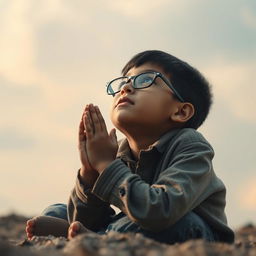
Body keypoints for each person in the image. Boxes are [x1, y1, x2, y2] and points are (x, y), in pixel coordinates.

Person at [26, 50, 234, 244]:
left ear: (180, 112)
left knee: (182, 223)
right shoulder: (118, 152)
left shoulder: (190, 145)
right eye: (123, 82)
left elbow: (161, 211)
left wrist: (107, 166)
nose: (126, 87)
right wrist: (89, 172)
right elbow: (85, 220)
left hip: (193, 231)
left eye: (145, 80)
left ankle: (99, 239)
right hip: (133, 224)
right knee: (57, 211)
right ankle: (99, 236)